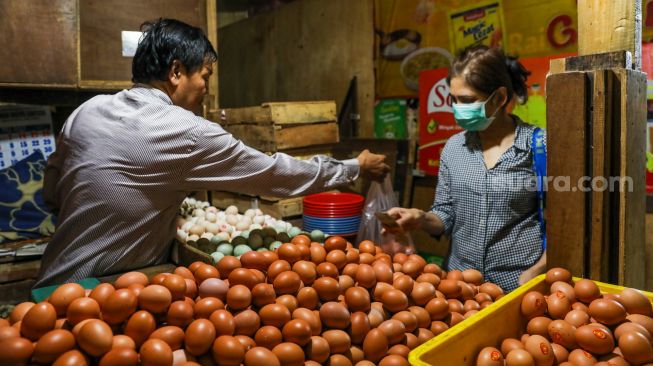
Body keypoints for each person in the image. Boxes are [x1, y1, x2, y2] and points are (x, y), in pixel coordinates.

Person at [35, 18, 389, 287]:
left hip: (51, 280)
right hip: (102, 291)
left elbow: (52, 193)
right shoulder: (186, 131)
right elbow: (276, 177)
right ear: (176, 72)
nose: (206, 88)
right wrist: (353, 166)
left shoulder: (87, 110)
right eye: (205, 75)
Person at [386, 46, 545, 292]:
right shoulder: (454, 148)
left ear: (500, 98)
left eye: (468, 100)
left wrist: (535, 274)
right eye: (454, 99)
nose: (458, 108)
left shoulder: (539, 147)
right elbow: (446, 213)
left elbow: (562, 226)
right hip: (460, 287)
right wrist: (421, 218)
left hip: (518, 286)